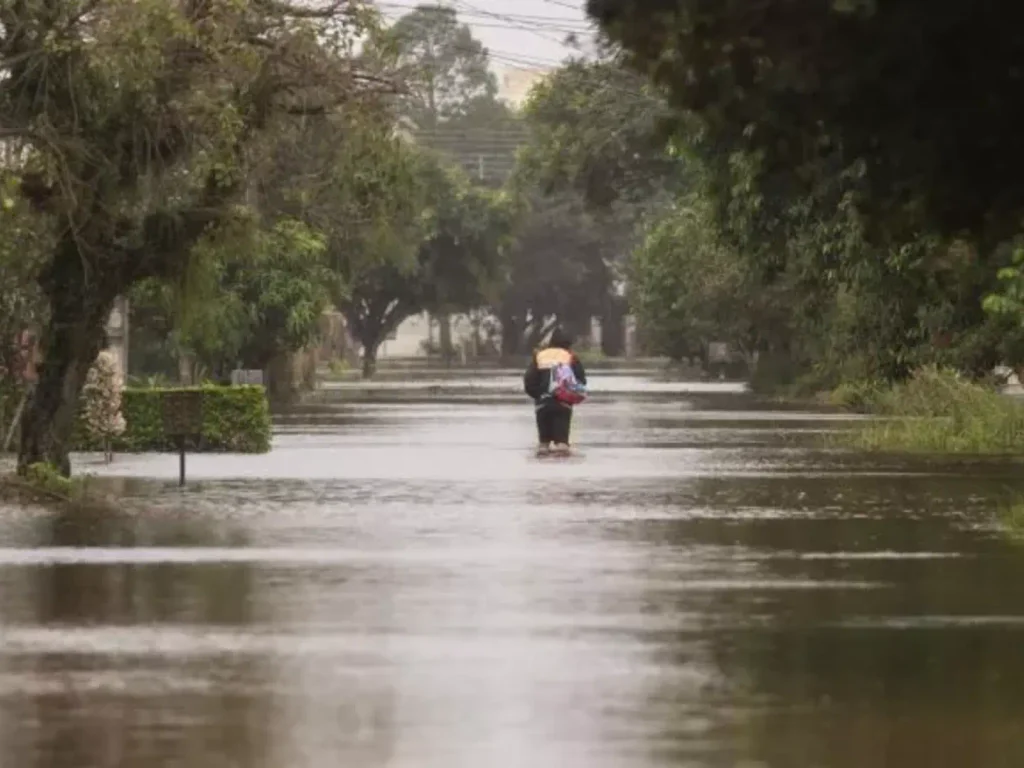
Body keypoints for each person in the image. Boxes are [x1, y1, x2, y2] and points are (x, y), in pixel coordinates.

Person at [523, 327, 588, 454]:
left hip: (542, 404)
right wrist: (571, 398)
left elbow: (529, 382)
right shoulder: (571, 357)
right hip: (563, 404)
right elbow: (581, 381)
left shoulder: (539, 356)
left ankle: (542, 464)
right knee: (562, 446)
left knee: (543, 445)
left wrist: (539, 396)